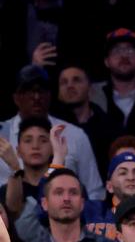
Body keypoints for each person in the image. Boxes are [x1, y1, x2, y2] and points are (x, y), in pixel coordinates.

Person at [0, 65, 104, 200]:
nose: (36, 97)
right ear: (16, 98)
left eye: (41, 90)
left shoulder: (74, 135)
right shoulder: (2, 135)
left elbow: (94, 191)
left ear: (50, 95)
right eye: (28, 91)